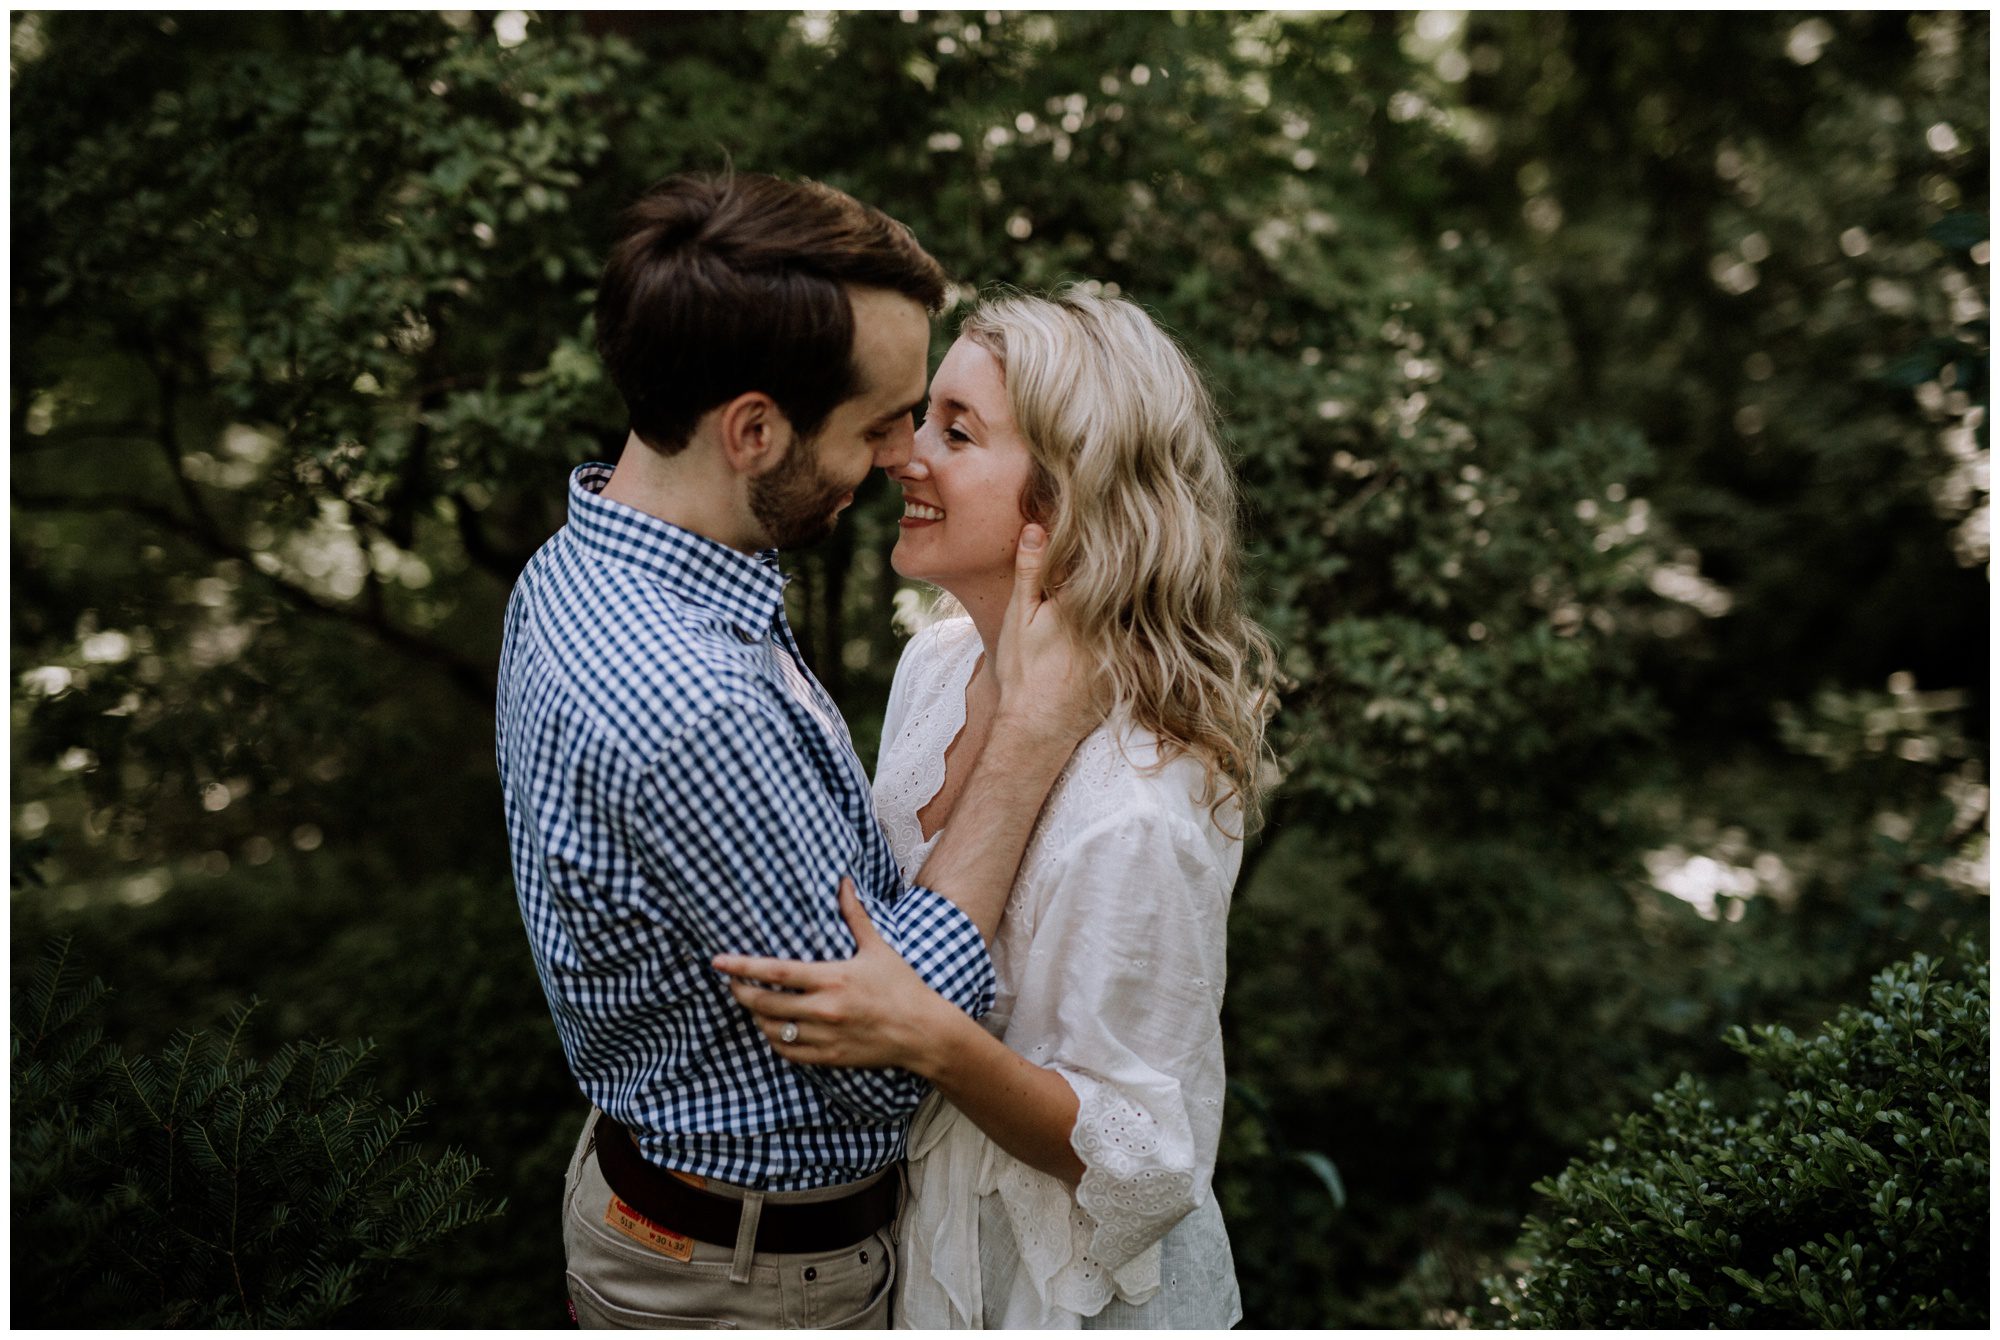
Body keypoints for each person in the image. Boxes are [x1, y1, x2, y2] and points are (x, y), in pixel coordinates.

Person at [495, 174, 1098, 1329]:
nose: (897, 456)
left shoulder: (588, 560)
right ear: (754, 429)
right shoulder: (690, 698)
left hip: (674, 1212)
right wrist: (1027, 737)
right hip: (751, 1282)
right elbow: (884, 1049)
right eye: (878, 422)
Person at [715, 286, 1278, 1328]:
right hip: (907, 1241)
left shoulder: (1139, 800)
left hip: (1056, 1294)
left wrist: (931, 1037)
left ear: (1063, 496)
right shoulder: (934, 666)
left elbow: (1148, 1163)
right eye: (923, 416)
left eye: (955, 431)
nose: (904, 455)